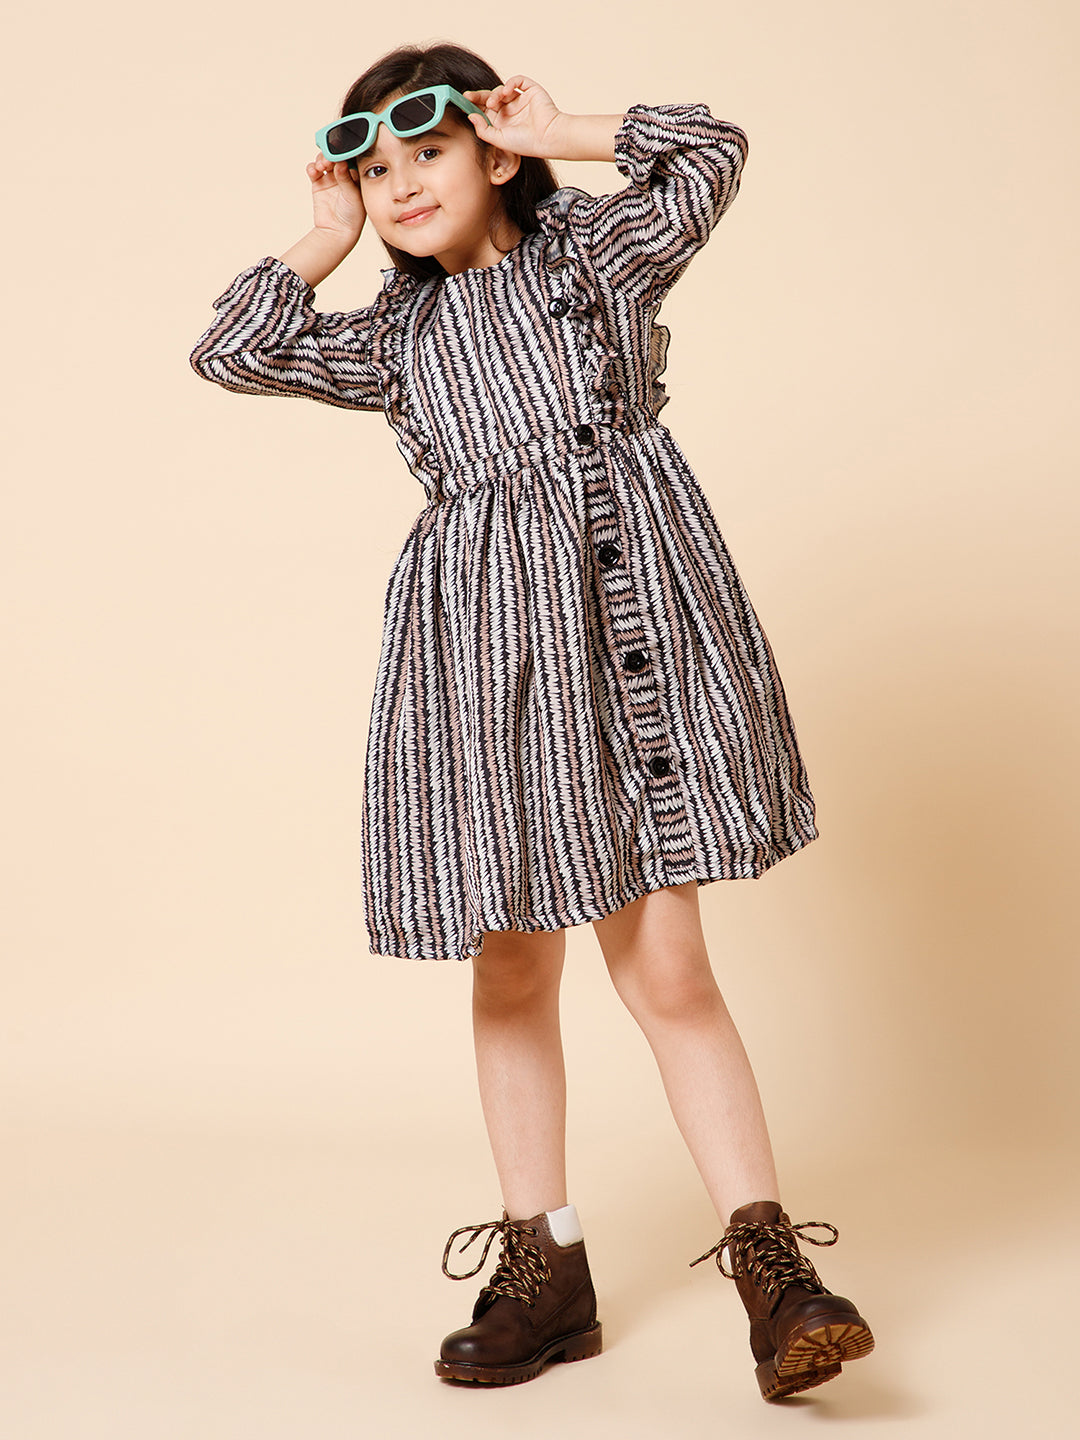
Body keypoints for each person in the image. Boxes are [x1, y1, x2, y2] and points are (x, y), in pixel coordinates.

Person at [190, 41, 873, 1401]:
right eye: (374, 171)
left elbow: (709, 153)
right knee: (511, 966)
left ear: (493, 154)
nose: (399, 184)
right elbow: (231, 345)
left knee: (667, 966)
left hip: (629, 636)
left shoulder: (591, 263)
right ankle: (543, 1267)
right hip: (488, 670)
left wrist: (560, 129)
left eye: (428, 151)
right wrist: (325, 233)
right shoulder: (394, 336)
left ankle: (773, 1273)